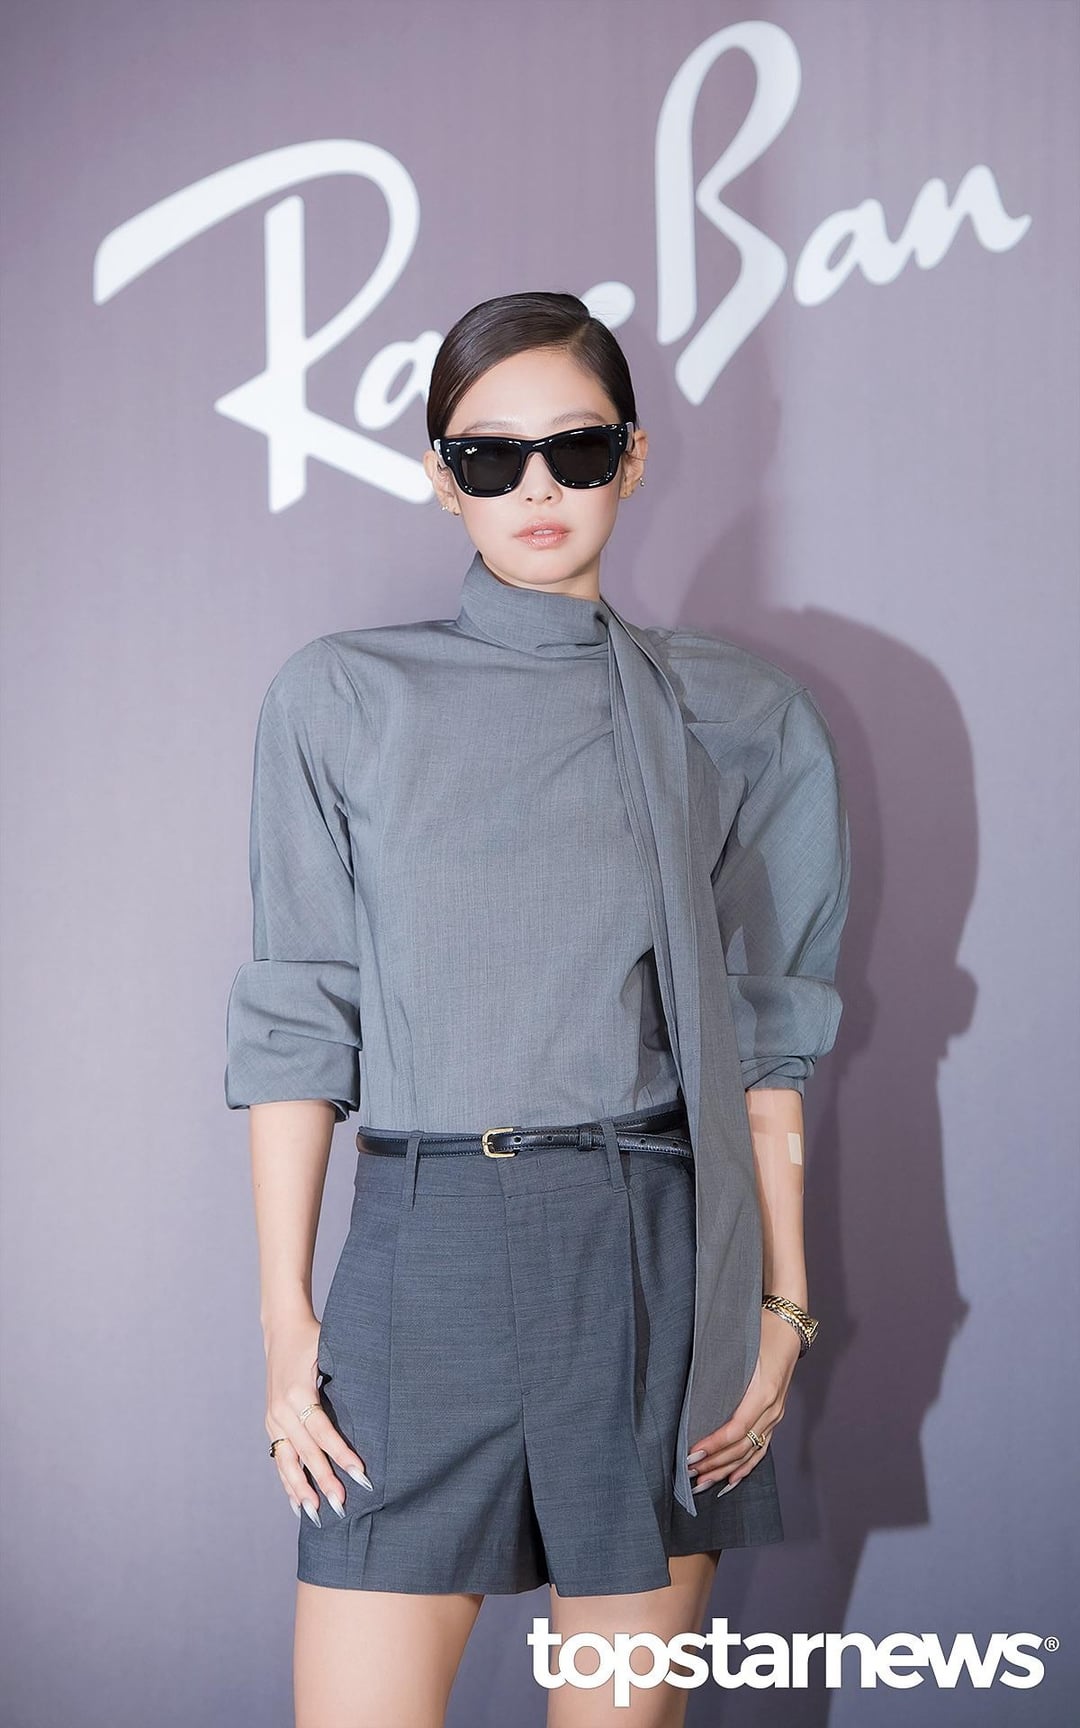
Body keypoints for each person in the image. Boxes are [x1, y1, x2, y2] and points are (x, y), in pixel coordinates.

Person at [224, 290, 851, 1728]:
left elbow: (767, 1045)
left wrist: (782, 1304)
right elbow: (300, 1022)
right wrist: (284, 1321)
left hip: (646, 1258)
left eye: (575, 448)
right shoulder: (343, 697)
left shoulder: (740, 714)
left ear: (633, 456)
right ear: (441, 477)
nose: (538, 488)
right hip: (421, 1254)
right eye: (490, 457)